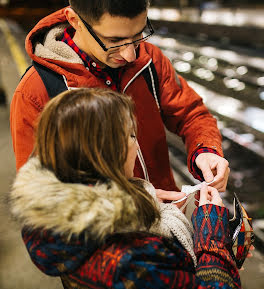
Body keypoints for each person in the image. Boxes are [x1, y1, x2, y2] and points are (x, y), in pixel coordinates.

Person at [9, 88, 241, 289]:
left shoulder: (52, 222)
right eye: (131, 136)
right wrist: (212, 235)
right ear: (105, 153)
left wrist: (138, 201)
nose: (137, 144)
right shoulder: (130, 260)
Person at [10, 0, 230, 202]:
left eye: (138, 35)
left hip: (168, 222)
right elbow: (39, 196)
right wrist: (132, 203)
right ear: (74, 20)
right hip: (108, 238)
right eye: (114, 41)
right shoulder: (38, 92)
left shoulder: (148, 59)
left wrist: (206, 151)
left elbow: (191, 114)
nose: (130, 55)